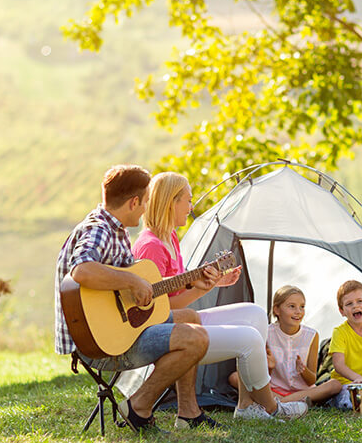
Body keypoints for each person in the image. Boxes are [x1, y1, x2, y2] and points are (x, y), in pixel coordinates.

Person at [131, 171, 307, 423]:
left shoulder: (169, 237)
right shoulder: (151, 246)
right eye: (188, 201)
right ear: (172, 202)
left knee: (255, 313)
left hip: (179, 321)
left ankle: (246, 405)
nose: (191, 208)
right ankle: (272, 407)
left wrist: (213, 282)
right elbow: (158, 309)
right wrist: (201, 290)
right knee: (249, 339)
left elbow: (177, 291)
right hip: (162, 332)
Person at [54, 165, 206, 434]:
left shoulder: (117, 231)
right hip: (100, 344)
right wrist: (133, 281)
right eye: (146, 201)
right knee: (195, 338)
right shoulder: (99, 230)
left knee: (191, 319)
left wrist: (193, 286)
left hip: (119, 329)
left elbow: (134, 295)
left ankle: (188, 412)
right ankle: (139, 407)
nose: (147, 208)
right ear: (134, 202)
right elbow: (82, 270)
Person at [260, 285, 343, 404]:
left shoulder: (312, 335)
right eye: (292, 306)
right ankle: (292, 402)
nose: (298, 311)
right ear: (276, 310)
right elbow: (262, 378)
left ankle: (282, 402)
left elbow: (311, 380)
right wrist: (270, 368)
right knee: (236, 378)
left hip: (304, 391)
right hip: (274, 389)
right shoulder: (267, 333)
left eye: (302, 307)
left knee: (335, 385)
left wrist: (303, 370)